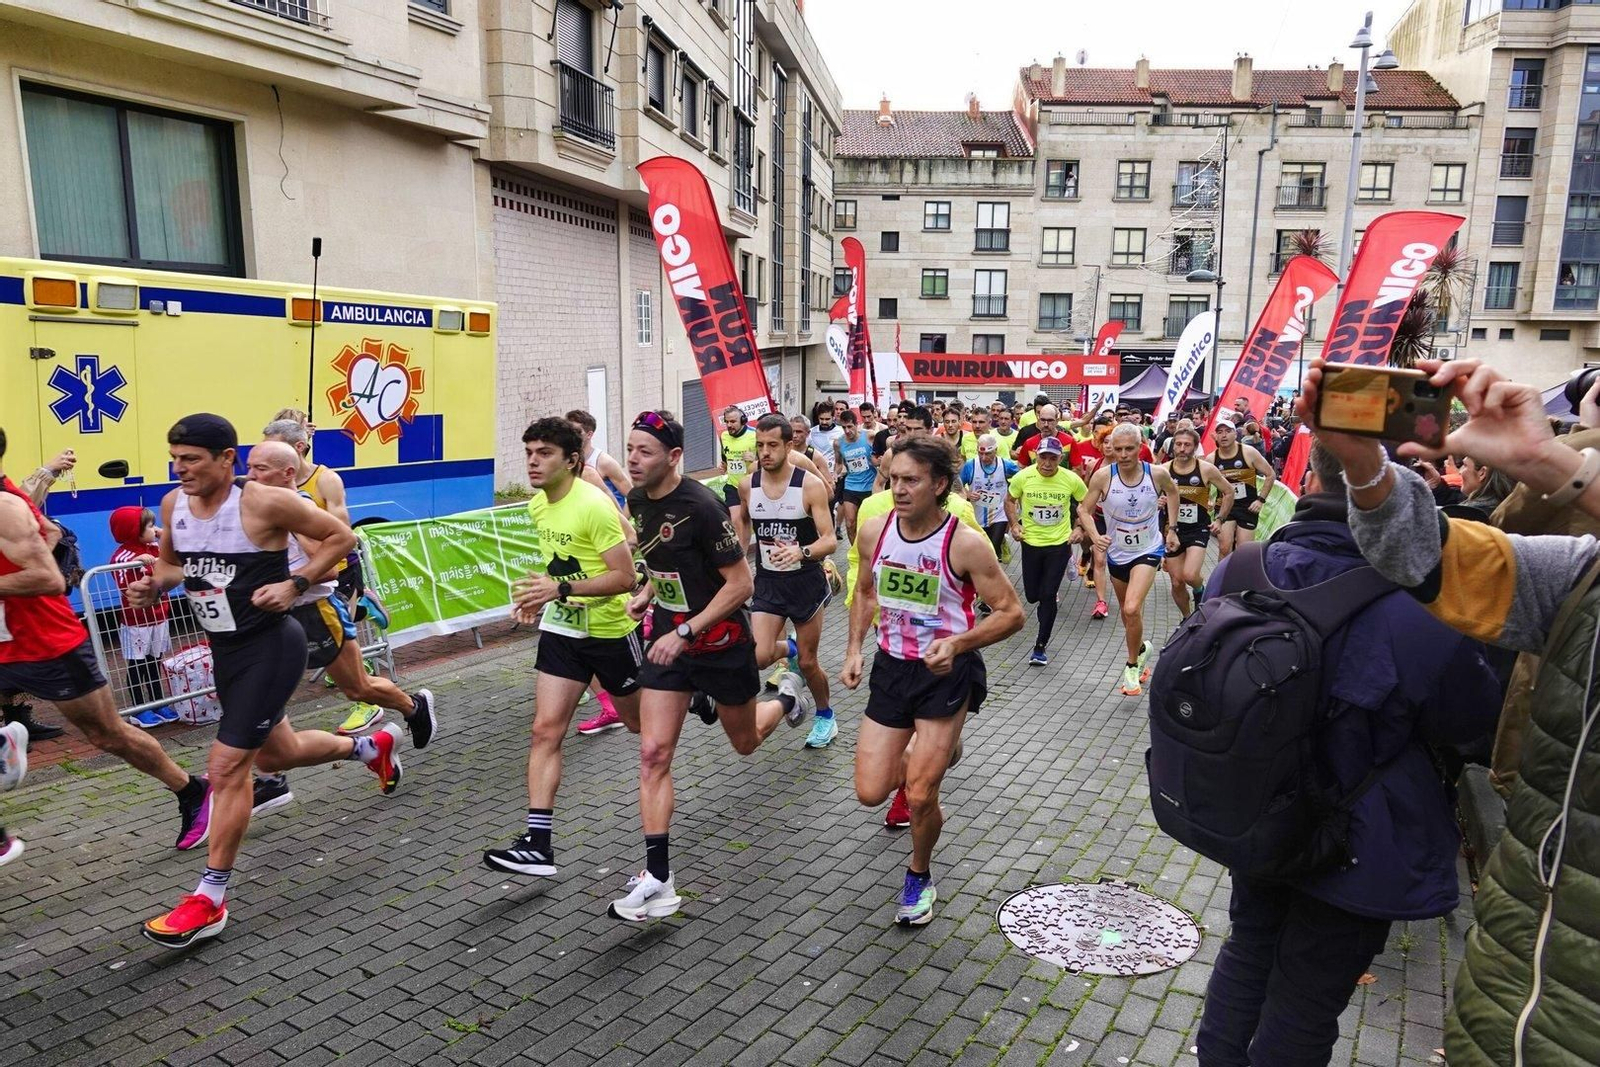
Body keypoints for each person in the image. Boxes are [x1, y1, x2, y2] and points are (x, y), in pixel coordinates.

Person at [1299, 357, 1600, 1066]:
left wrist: (1559, 467)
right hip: (1514, 986)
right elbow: (1423, 558)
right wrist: (1365, 468)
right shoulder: (1583, 574)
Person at [1191, 440, 1500, 1067]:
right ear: (1404, 482)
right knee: (1306, 999)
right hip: (1367, 834)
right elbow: (1474, 724)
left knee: (1248, 949)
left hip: (1262, 811)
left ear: (1313, 470)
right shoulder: (1424, 596)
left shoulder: (1243, 567)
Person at [129, 414, 399, 948]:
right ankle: (370, 747)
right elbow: (170, 567)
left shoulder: (264, 502)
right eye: (174, 458)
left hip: (271, 647)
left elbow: (342, 538)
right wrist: (151, 587)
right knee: (278, 754)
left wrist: (294, 582)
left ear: (227, 459)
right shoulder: (172, 505)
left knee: (227, 767)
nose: (179, 469)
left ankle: (209, 898)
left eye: (192, 460)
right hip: (225, 650)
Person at [619, 411, 812, 920]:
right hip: (669, 644)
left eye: (645, 452)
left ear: (674, 457)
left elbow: (741, 585)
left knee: (745, 743)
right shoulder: (637, 501)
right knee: (654, 753)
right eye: (630, 449)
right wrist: (646, 594)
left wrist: (687, 630)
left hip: (720, 644)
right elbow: (665, 564)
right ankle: (658, 877)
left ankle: (787, 697)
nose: (633, 461)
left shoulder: (703, 507)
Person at [0, 427, 212, 859]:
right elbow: (50, 531)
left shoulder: (3, 507)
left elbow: (48, 577)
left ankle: (192, 790)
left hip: (46, 643)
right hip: (5, 644)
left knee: (108, 734)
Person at [841, 435, 1023, 926]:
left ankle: (919, 875)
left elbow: (1011, 614)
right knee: (869, 791)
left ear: (940, 484)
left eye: (910, 481)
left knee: (920, 795)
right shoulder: (874, 531)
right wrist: (856, 646)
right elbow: (864, 592)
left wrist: (958, 644)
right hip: (892, 667)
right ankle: (939, 749)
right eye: (893, 479)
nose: (898, 489)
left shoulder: (964, 542)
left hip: (946, 672)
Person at [483, 418, 643, 879]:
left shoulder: (592, 505)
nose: (533, 461)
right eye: (529, 451)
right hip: (564, 631)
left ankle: (690, 694)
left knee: (638, 724)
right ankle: (538, 843)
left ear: (572, 460)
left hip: (611, 632)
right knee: (544, 730)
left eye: (545, 453)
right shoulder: (537, 505)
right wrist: (541, 598)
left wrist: (560, 589)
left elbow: (625, 577)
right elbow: (557, 570)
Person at [244, 441, 437, 780]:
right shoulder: (262, 509)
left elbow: (332, 567)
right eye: (249, 467)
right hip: (278, 617)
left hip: (316, 610)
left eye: (260, 469)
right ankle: (269, 775)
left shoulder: (301, 507)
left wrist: (289, 580)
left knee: (358, 688)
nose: (250, 476)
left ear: (288, 473)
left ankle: (414, 707)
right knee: (263, 690)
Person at [740, 414, 838, 749]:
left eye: (772, 445)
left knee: (809, 664)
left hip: (805, 581)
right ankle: (791, 647)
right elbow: (742, 525)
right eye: (759, 446)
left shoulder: (809, 485)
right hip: (768, 581)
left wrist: (802, 551)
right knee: (760, 655)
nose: (764, 453)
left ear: (789, 445)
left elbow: (830, 540)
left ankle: (825, 716)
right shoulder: (747, 485)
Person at [1079, 424, 1181, 696]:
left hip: (1148, 549)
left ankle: (1131, 667)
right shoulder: (1103, 477)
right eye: (1119, 448)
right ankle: (1142, 650)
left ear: (1140, 448)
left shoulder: (1157, 474)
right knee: (1127, 613)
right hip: (1117, 553)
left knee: (1133, 608)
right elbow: (1083, 509)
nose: (1123, 454)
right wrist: (1095, 535)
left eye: (1130, 449)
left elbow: (1173, 492)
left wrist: (1171, 528)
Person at [1005, 438, 1088, 664]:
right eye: (1043, 457)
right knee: (1032, 595)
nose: (1048, 463)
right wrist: (1014, 524)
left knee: (1048, 595)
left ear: (1060, 459)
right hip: (1030, 542)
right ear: (1035, 456)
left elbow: (1085, 505)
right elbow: (1010, 500)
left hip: (1059, 543)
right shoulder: (1024, 477)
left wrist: (1079, 528)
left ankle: (1040, 646)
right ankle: (1043, 607)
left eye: (1053, 458)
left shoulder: (1071, 479)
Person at [108, 507, 178, 728]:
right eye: (149, 526)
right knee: (137, 665)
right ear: (133, 531)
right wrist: (140, 566)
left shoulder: (155, 547)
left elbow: (173, 555)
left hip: (159, 616)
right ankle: (139, 708)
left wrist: (160, 535)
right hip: (136, 621)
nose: (154, 529)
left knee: (154, 661)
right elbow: (123, 585)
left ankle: (159, 702)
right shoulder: (124, 556)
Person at [1161, 428, 1235, 617]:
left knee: (1190, 575)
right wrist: (1157, 501)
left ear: (1195, 447)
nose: (1182, 449)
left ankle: (1200, 589)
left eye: (1187, 445)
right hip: (1172, 530)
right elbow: (1149, 497)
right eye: (1178, 444)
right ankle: (1188, 619)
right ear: (1172, 446)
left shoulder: (1205, 469)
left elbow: (1229, 492)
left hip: (1197, 529)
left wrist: (1220, 519)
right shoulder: (1163, 470)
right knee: (1177, 582)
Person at [1209, 419, 1277, 559]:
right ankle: (1222, 580)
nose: (1224, 435)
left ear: (1236, 434)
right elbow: (1203, 484)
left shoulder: (1248, 452)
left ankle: (1240, 579)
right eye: (1220, 432)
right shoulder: (1211, 459)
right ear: (1215, 436)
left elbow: (1270, 474)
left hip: (1248, 506)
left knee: (1243, 551)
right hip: (1225, 506)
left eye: (1228, 431)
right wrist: (1207, 500)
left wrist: (1260, 500)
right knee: (1224, 547)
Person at [963, 434, 1019, 560]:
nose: (983, 457)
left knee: (992, 551)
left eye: (988, 454)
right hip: (977, 516)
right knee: (981, 552)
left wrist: (1013, 495)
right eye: (980, 453)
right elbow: (956, 486)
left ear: (996, 450)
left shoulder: (1005, 465)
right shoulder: (970, 465)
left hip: (999, 514)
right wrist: (967, 494)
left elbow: (1023, 477)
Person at [565, 409, 633, 510]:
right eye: (568, 432)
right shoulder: (566, 460)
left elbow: (634, 497)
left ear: (589, 435)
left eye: (577, 432)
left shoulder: (604, 462)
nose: (571, 436)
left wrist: (621, 522)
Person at [834, 409, 878, 548]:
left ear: (857, 424)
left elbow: (881, 452)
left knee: (868, 523)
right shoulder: (838, 443)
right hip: (851, 486)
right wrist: (835, 474)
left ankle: (870, 550)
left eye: (850, 427)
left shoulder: (870, 436)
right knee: (850, 523)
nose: (847, 431)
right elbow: (839, 463)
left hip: (870, 485)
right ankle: (855, 552)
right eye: (844, 427)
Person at [719, 406, 759, 549]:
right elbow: (726, 455)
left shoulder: (755, 435)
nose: (729, 425)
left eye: (733, 421)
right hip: (733, 485)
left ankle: (745, 551)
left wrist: (755, 458)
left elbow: (768, 459)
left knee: (747, 520)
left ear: (743, 421)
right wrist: (724, 465)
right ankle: (741, 555)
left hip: (752, 485)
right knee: (736, 520)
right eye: (727, 422)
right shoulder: (723, 436)